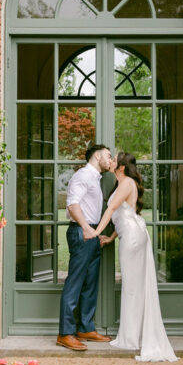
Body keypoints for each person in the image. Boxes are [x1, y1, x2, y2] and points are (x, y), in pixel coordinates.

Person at [93, 152, 178, 362]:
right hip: (129, 233)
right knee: (133, 286)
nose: (110, 161)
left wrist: (95, 232)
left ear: (121, 166)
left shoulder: (126, 182)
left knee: (132, 287)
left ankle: (132, 338)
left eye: (114, 159)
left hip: (132, 238)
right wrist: (112, 236)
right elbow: (124, 213)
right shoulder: (122, 182)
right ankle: (133, 334)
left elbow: (113, 208)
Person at [57, 143, 114, 351]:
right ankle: (65, 333)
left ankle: (85, 328)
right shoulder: (83, 176)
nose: (111, 160)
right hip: (81, 233)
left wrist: (95, 232)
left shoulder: (95, 178)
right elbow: (73, 204)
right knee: (75, 283)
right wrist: (86, 229)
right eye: (108, 156)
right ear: (97, 156)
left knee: (90, 283)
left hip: (91, 233)